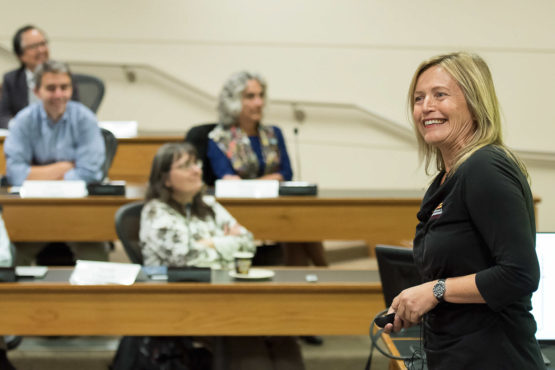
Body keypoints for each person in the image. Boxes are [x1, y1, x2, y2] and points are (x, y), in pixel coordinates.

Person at [384, 52, 544, 369]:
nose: (426, 106)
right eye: (418, 98)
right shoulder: (447, 179)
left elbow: (520, 274)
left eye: (440, 94)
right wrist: (416, 301)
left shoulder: (485, 167)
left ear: (473, 102)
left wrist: (437, 290)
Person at [132, 142, 305, 370]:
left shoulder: (210, 206)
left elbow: (247, 243)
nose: (196, 170)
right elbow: (186, 257)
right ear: (165, 179)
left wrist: (209, 243)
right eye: (185, 166)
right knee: (249, 345)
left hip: (226, 293)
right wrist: (224, 243)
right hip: (182, 300)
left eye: (196, 163)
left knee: (283, 339)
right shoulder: (155, 212)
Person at [207, 70, 328, 268]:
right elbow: (229, 183)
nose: (259, 102)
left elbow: (286, 174)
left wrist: (251, 184)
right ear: (233, 101)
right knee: (295, 224)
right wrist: (271, 179)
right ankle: (321, 272)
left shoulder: (273, 133)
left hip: (280, 207)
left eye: (261, 95)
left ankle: (314, 277)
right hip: (242, 211)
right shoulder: (218, 139)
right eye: (250, 96)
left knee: (302, 220)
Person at [4, 59, 107, 265]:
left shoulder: (85, 119)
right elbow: (15, 173)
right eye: (51, 88)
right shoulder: (23, 121)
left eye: (64, 87)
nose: (59, 94)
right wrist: (65, 168)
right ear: (37, 91)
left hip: (79, 211)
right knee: (11, 263)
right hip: (33, 211)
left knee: (97, 261)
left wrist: (36, 174)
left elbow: (89, 172)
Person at [0, 25, 79, 129]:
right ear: (20, 55)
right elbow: (2, 117)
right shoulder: (11, 79)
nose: (41, 50)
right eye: (33, 46)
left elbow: (76, 112)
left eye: (43, 44)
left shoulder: (62, 76)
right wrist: (19, 127)